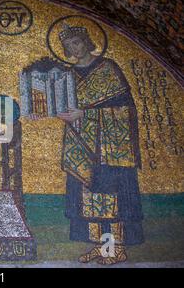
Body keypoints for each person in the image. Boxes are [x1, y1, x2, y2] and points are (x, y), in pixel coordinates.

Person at [56, 25, 144, 265]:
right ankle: (100, 247)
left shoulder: (108, 69)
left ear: (87, 41)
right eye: (69, 45)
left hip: (110, 148)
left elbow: (126, 111)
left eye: (78, 41)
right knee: (89, 197)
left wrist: (84, 114)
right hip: (82, 144)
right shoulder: (67, 74)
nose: (75, 47)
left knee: (111, 196)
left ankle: (116, 249)